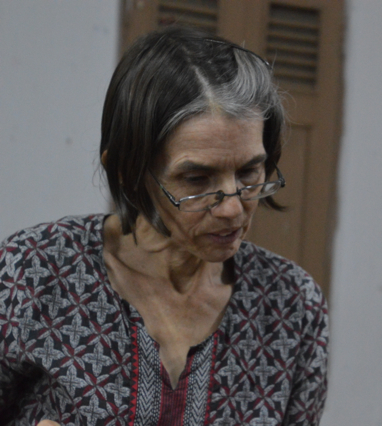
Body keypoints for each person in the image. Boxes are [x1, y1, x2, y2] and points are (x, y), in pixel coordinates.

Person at [0, 26, 328, 425]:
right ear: (128, 173)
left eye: (249, 172)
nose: (232, 208)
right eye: (196, 179)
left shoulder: (291, 307)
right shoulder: (34, 273)